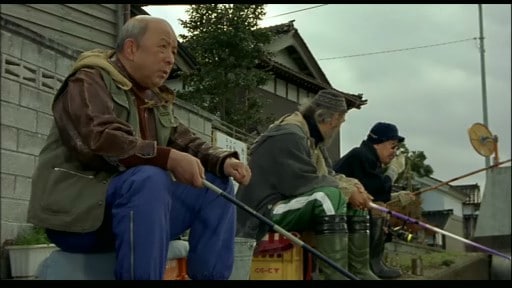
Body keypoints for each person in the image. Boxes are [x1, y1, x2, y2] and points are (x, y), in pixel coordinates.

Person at [27, 15, 251, 280]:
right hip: (80, 219)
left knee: (216, 185)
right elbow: (98, 139)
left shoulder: (152, 99)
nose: (170, 59)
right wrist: (166, 158)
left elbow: (185, 141)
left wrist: (222, 161)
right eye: (163, 47)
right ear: (132, 49)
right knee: (150, 178)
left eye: (174, 52)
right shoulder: (87, 80)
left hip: (136, 213)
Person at [236, 89, 380, 280]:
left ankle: (359, 271)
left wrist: (354, 188)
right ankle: (333, 275)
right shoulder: (290, 134)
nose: (338, 128)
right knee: (328, 196)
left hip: (284, 205)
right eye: (340, 122)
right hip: (261, 211)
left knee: (352, 201)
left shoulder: (311, 137)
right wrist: (346, 190)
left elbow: (328, 174)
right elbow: (303, 182)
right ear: (332, 119)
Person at [333, 122, 415, 279]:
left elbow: (372, 192)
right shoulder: (362, 156)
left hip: (345, 212)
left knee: (379, 206)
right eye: (392, 146)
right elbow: (378, 191)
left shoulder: (368, 158)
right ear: (378, 143)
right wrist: (393, 171)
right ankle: (372, 263)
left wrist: (397, 197)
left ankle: (373, 262)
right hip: (338, 215)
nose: (394, 152)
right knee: (378, 208)